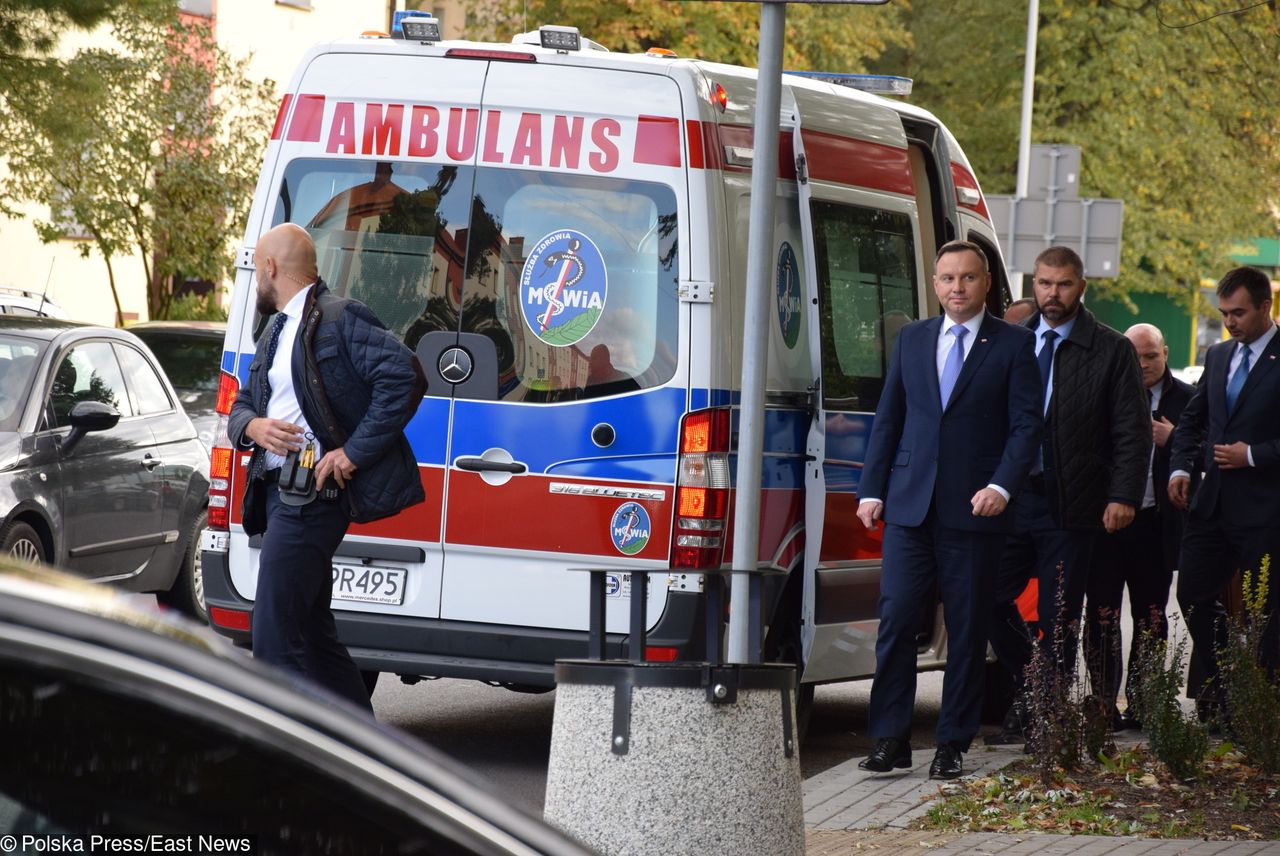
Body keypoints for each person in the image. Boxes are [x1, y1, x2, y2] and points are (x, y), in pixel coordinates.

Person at [855, 240, 1042, 780]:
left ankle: (951, 743)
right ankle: (889, 738)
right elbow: (889, 417)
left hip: (976, 511)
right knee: (895, 624)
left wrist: (1002, 487)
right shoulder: (912, 339)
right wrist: (872, 489)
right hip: (911, 509)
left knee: (966, 629)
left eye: (966, 278)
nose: (955, 288)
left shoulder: (1012, 344)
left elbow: (1027, 425)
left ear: (986, 283)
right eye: (946, 279)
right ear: (934, 284)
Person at [229, 223, 424, 711]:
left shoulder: (340, 318)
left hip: (312, 496)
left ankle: (293, 764)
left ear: (271, 267)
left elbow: (405, 376)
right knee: (315, 639)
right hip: (277, 494)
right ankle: (369, 755)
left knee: (272, 640)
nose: (256, 279)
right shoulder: (275, 329)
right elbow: (243, 403)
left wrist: (353, 452)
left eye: (257, 268)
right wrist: (253, 427)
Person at [986, 246, 1151, 745]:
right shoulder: (1012, 340)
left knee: (1060, 613)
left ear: (1081, 287)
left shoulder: (1110, 348)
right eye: (1042, 283)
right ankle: (1032, 684)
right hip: (1012, 498)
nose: (1051, 294)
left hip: (1072, 500)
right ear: (1032, 284)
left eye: (1061, 284)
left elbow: (1132, 430)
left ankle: (1045, 716)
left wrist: (1123, 494)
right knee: (986, 594)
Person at [1169, 266, 1280, 717]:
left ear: (1265, 307)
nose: (1230, 322)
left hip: (1265, 508)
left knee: (1266, 613)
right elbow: (1194, 420)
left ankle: (1256, 710)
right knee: (1192, 592)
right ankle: (1226, 682)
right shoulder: (1217, 356)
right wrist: (1180, 466)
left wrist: (1252, 455)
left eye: (1238, 313)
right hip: (1212, 504)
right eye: (1224, 313)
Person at [1083, 323, 1194, 729]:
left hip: (1154, 522)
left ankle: (1145, 701)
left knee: (1151, 615)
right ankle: (1104, 702)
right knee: (1101, 612)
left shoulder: (1188, 399)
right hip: (1106, 523)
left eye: (1151, 355)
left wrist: (1176, 438)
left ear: (1165, 353)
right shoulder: (1103, 392)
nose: (1144, 363)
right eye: (1136, 355)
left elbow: (1208, 450)